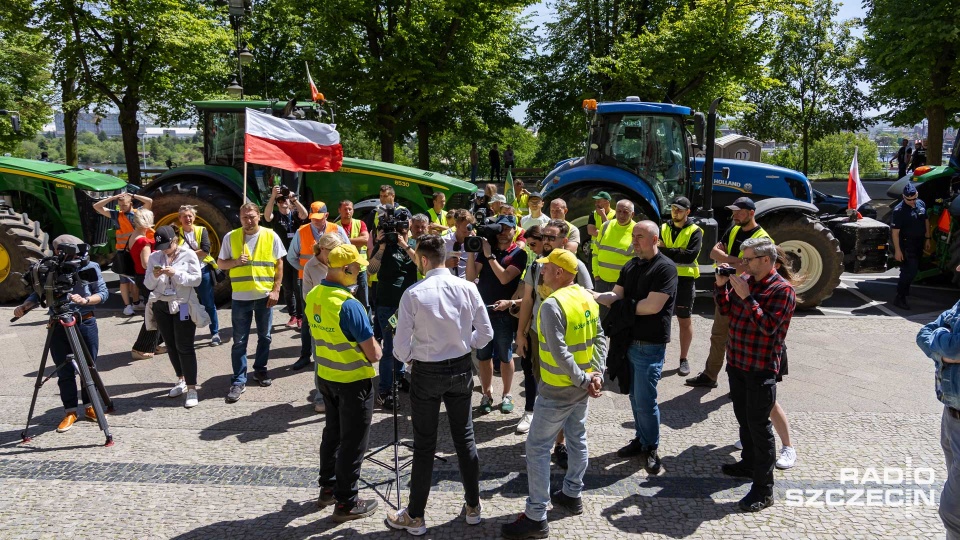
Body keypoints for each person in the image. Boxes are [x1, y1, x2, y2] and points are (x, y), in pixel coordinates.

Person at [386, 235, 493, 535]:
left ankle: (416, 516)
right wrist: (464, 344)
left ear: (421, 259)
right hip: (460, 369)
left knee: (424, 445)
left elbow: (400, 345)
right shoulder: (468, 287)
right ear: (445, 257)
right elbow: (485, 333)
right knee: (465, 439)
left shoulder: (413, 293)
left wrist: (410, 360)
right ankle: (473, 505)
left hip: (426, 371)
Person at [500, 249, 607, 540]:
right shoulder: (587, 295)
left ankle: (536, 516)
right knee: (577, 438)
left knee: (536, 448)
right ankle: (572, 494)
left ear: (559, 273)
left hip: (558, 388)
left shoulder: (551, 305)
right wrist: (595, 374)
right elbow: (599, 336)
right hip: (580, 387)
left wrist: (586, 378)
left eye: (546, 268)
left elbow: (559, 352)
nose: (542, 272)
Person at [714, 237, 795, 512]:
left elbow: (769, 328)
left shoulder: (782, 290)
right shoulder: (746, 279)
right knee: (744, 420)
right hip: (737, 362)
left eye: (747, 259)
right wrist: (722, 288)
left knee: (760, 428)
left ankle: (764, 489)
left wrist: (747, 297)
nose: (742, 264)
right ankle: (748, 464)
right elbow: (726, 312)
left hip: (760, 368)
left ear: (765, 260)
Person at [305, 244, 382, 521]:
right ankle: (346, 502)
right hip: (353, 380)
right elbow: (373, 354)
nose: (360, 270)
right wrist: (380, 349)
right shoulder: (350, 305)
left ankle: (327, 488)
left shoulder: (315, 294)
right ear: (345, 269)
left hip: (326, 376)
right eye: (357, 267)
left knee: (333, 434)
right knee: (353, 442)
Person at [593, 221, 676, 474]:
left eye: (639, 237)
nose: (634, 241)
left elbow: (653, 306)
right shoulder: (630, 265)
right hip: (626, 342)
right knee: (633, 395)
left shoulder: (666, 268)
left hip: (649, 345)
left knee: (645, 400)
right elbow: (615, 295)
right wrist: (592, 295)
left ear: (655, 239)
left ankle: (651, 446)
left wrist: (619, 306)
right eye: (633, 236)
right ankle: (640, 440)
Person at [515, 221, 593, 467]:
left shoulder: (575, 266)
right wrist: (521, 334)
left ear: (563, 240)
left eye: (552, 237)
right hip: (539, 336)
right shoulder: (537, 266)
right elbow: (527, 300)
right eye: (544, 236)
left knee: (567, 387)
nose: (546, 241)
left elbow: (589, 299)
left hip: (569, 338)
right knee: (544, 385)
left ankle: (560, 443)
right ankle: (547, 433)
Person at [13, 234, 109, 433]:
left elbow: (103, 292)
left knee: (88, 367)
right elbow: (40, 292)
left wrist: (86, 300)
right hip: (57, 323)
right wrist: (26, 305)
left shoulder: (90, 266)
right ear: (59, 252)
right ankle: (70, 411)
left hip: (85, 321)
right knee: (64, 370)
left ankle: (90, 406)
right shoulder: (49, 267)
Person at [687, 197, 772, 389]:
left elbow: (746, 269)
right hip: (727, 291)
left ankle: (743, 383)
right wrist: (733, 261)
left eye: (739, 212)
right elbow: (713, 254)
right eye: (733, 211)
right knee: (718, 335)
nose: (734, 215)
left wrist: (729, 262)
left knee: (742, 340)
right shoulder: (734, 228)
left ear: (751, 213)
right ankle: (710, 375)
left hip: (748, 294)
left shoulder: (762, 238)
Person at [217, 202, 287, 403]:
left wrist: (276, 290)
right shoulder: (231, 237)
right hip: (241, 298)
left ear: (259, 216)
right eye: (244, 217)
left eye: (252, 216)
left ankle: (260, 370)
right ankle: (239, 380)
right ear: (240, 218)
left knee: (265, 337)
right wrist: (236, 262)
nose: (248, 220)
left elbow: (278, 263)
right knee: (239, 341)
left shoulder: (270, 235)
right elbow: (221, 263)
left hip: (265, 296)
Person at [467, 215, 528, 414]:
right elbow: (470, 277)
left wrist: (489, 256)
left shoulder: (519, 253)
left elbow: (504, 278)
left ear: (514, 230)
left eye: (507, 229)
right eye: (499, 229)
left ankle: (507, 394)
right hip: (483, 312)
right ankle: (487, 393)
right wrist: (472, 251)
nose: (502, 233)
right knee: (483, 356)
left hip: (504, 313)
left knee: (504, 355)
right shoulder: (486, 251)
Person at [144, 226, 209, 409]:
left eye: (167, 245)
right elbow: (148, 284)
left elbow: (196, 280)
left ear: (175, 240)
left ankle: (192, 388)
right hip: (161, 304)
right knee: (170, 345)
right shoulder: (155, 257)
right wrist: (156, 276)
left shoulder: (188, 254)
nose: (164, 249)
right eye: (160, 246)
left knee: (184, 346)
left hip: (182, 304)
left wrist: (176, 274)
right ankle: (180, 379)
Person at [916, 275, 960, 539]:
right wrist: (945, 348)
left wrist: (944, 342)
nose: (956, 267)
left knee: (953, 510)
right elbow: (924, 332)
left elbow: (955, 346)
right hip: (951, 411)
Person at [368, 206, 418, 409]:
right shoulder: (384, 245)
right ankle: (385, 390)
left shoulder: (414, 244)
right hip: (387, 304)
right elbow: (371, 269)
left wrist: (405, 244)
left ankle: (398, 378)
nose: (401, 232)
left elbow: (421, 265)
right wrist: (380, 247)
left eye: (404, 228)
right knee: (389, 348)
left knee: (403, 344)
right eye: (398, 228)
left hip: (407, 305)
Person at [289, 202, 349, 370]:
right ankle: (305, 355)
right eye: (313, 218)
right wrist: (308, 269)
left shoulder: (336, 230)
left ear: (326, 216)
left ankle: (335, 353)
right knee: (309, 320)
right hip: (311, 283)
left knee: (335, 319)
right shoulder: (301, 231)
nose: (315, 221)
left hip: (335, 283)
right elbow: (291, 257)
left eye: (319, 218)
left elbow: (349, 253)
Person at [301, 233, 346, 412]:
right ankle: (321, 396)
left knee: (342, 355)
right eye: (333, 251)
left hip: (340, 316)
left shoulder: (340, 262)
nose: (337, 254)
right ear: (322, 249)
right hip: (320, 319)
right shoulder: (310, 266)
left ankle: (340, 393)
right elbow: (306, 296)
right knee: (321, 359)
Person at [659, 196, 703, 377]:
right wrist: (677, 252)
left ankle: (683, 359)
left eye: (680, 209)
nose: (675, 211)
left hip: (685, 280)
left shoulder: (695, 231)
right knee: (660, 319)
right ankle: (658, 357)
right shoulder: (662, 227)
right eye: (673, 208)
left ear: (688, 212)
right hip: (663, 279)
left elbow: (690, 256)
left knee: (684, 321)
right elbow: (655, 250)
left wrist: (666, 250)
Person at [93, 191, 153, 315]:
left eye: (124, 205)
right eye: (120, 206)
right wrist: (113, 198)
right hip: (123, 252)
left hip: (136, 250)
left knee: (136, 278)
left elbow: (149, 201)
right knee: (124, 280)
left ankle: (136, 303)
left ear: (131, 203)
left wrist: (134, 195)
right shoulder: (117, 215)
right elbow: (97, 207)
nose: (122, 208)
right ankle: (127, 305)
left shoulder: (139, 213)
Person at [175, 205, 221, 346]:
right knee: (183, 303)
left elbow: (205, 250)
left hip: (202, 271)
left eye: (190, 216)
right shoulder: (176, 232)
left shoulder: (202, 230)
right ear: (180, 218)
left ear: (194, 217)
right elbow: (173, 252)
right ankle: (185, 334)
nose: (188, 218)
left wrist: (185, 254)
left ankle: (215, 333)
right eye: (185, 216)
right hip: (184, 273)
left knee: (208, 303)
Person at [264, 184, 308, 328]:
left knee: (298, 286)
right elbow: (267, 216)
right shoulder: (276, 216)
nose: (283, 202)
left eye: (285, 199)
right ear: (277, 203)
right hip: (282, 258)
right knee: (288, 287)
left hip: (297, 256)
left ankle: (301, 316)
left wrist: (293, 199)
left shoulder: (295, 215)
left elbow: (305, 214)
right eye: (280, 200)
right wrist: (272, 197)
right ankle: (293, 315)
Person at [129, 209, 164, 360]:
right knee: (154, 313)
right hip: (147, 279)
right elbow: (145, 263)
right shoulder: (144, 241)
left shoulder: (134, 236)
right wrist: (161, 269)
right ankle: (140, 348)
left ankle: (154, 343)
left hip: (140, 278)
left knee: (157, 311)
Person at [594, 200, 637, 320]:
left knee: (620, 320)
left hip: (622, 285)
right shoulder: (606, 226)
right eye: (619, 211)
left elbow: (638, 261)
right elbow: (595, 252)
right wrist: (596, 275)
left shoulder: (637, 230)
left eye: (625, 212)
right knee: (600, 320)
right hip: (601, 281)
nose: (622, 215)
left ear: (632, 214)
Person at [890, 182, 931, 310]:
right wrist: (897, 250)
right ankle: (900, 297)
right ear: (904, 197)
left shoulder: (920, 203)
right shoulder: (899, 211)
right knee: (909, 270)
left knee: (913, 270)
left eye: (914, 198)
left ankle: (905, 292)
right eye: (909, 199)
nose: (912, 201)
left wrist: (928, 238)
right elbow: (895, 233)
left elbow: (926, 220)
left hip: (919, 242)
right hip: (906, 244)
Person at [338, 199, 370, 308]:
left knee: (364, 301)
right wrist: (356, 240)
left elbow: (365, 239)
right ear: (339, 211)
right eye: (345, 209)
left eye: (350, 209)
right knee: (345, 301)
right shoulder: (335, 227)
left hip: (360, 269)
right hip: (343, 270)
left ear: (353, 211)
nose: (347, 212)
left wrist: (345, 240)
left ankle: (367, 323)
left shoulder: (360, 223)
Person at [587, 191, 615, 277]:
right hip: (594, 250)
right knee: (592, 276)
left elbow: (611, 233)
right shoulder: (593, 214)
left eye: (599, 201)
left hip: (608, 251)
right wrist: (605, 233)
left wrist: (603, 215)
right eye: (595, 201)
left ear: (607, 202)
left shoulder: (615, 215)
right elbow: (591, 231)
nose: (596, 204)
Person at [442, 209, 475, 279]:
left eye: (469, 232)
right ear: (456, 225)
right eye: (464, 232)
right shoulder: (443, 241)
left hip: (466, 283)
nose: (467, 235)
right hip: (447, 283)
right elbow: (432, 266)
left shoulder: (474, 243)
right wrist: (445, 264)